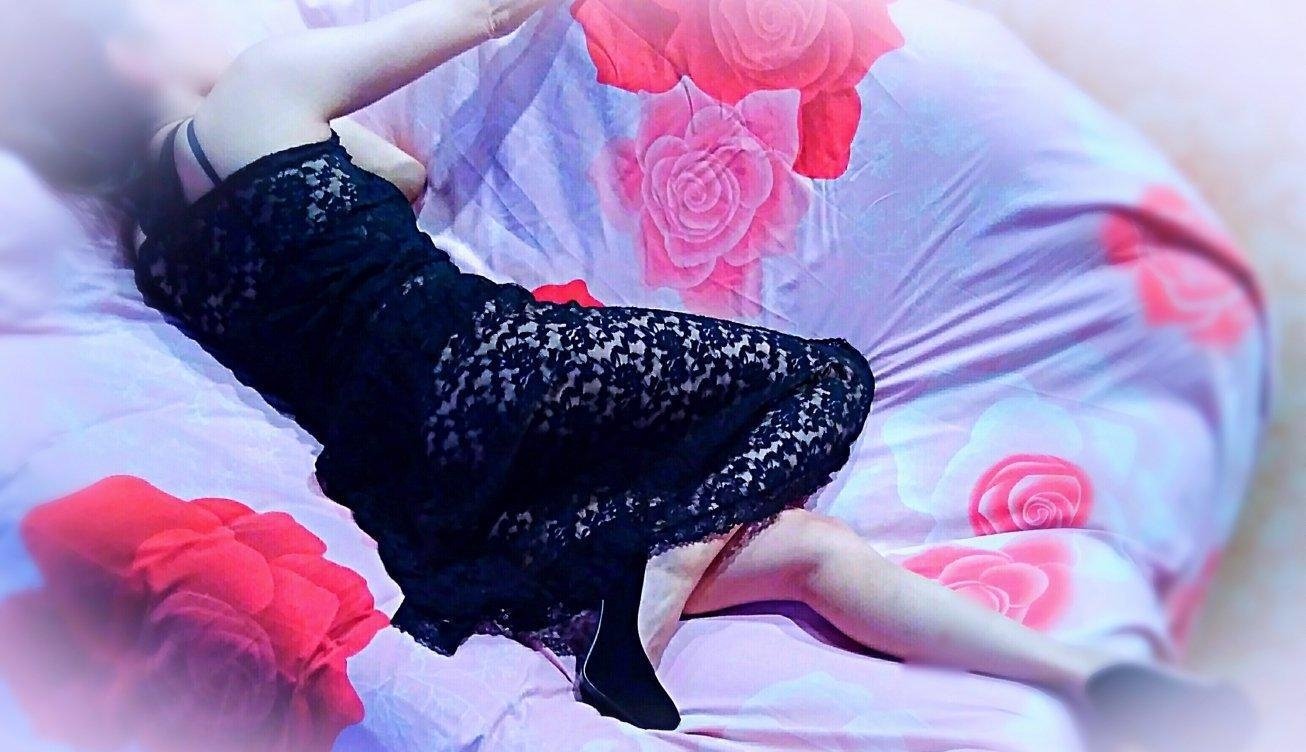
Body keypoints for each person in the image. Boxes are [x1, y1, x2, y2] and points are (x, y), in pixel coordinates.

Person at [0, 1, 1250, 747]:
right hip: (486, 367)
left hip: (412, 482)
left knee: (812, 553)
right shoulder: (260, 90)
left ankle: (1099, 685)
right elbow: (470, 46)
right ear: (124, 55)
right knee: (813, 375)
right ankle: (650, 581)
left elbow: (370, 210)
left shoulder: (152, 249)